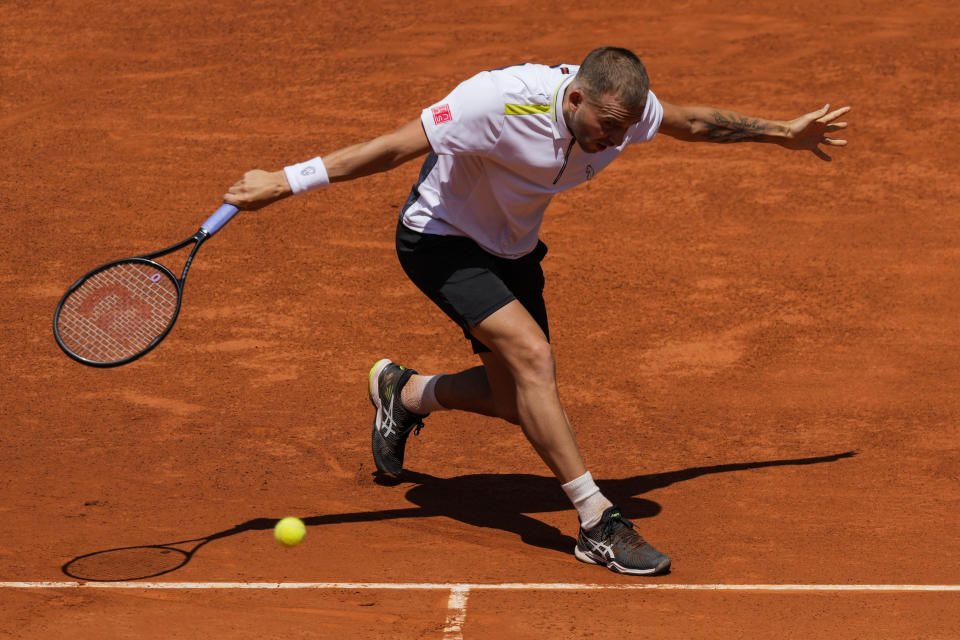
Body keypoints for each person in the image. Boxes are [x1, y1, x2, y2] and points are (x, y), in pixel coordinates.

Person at [224, 46, 849, 576]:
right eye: (607, 125)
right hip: (442, 239)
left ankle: (406, 393)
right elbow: (392, 148)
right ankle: (596, 521)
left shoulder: (625, 113)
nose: (615, 139)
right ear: (573, 98)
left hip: (513, 250)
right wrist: (284, 180)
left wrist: (782, 133)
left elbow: (689, 122)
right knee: (533, 358)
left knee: (517, 398)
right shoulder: (494, 101)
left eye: (626, 128)